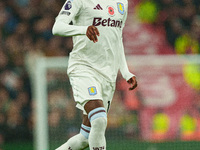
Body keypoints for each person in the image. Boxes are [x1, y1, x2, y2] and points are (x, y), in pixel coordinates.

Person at [52, 0, 137, 149]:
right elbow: (57, 27)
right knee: (99, 119)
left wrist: (125, 71)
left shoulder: (122, 2)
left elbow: (118, 39)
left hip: (107, 76)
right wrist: (83, 29)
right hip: (83, 67)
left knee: (85, 138)